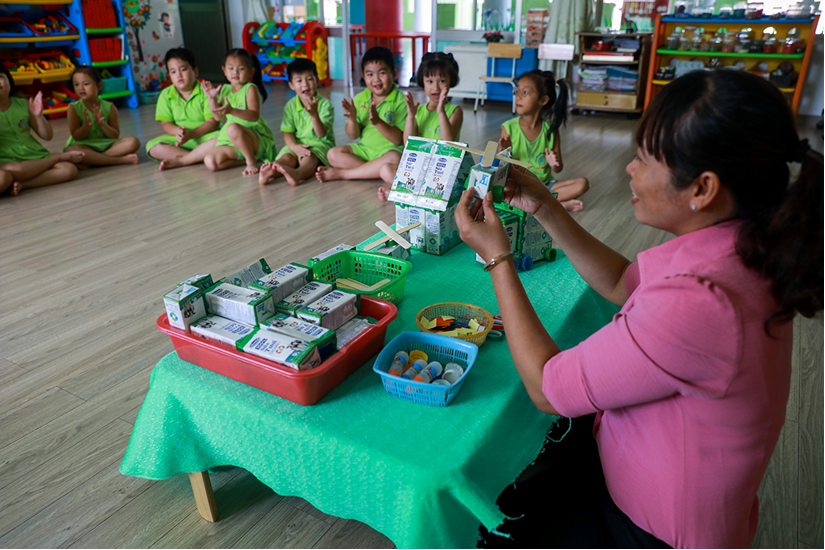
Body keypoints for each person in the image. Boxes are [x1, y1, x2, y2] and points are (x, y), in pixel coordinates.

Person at [457, 70, 822, 548]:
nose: (630, 169)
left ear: (703, 189)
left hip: (650, 530)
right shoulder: (743, 246)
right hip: (646, 473)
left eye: (646, 159)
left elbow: (549, 388)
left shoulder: (700, 300)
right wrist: (546, 204)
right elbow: (621, 281)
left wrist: (497, 258)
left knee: (483, 525)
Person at [377, 51, 464, 200]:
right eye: (429, 81)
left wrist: (441, 112)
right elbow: (408, 143)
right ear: (422, 81)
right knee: (385, 169)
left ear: (451, 81)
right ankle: (415, 193)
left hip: (443, 171)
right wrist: (411, 116)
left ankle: (403, 192)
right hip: (420, 169)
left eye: (442, 81)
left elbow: (449, 143)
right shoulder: (420, 110)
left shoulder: (455, 111)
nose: (435, 87)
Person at [499, 70, 588, 212]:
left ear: (543, 100)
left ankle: (536, 204)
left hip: (544, 185)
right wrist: (503, 150)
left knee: (582, 184)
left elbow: (558, 169)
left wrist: (555, 163)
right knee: (504, 191)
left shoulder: (551, 131)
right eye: (517, 91)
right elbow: (501, 167)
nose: (518, 97)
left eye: (525, 92)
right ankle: (559, 205)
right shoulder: (508, 127)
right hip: (520, 187)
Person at [315, 46, 406, 183]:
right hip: (364, 151)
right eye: (370, 74)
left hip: (388, 151)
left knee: (394, 158)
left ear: (393, 74)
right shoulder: (359, 98)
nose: (376, 79)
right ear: (364, 76)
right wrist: (352, 120)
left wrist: (378, 123)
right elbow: (353, 135)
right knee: (332, 154)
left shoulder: (401, 101)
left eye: (381, 73)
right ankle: (372, 171)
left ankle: (345, 174)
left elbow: (399, 140)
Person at [0, 64, 83, 196]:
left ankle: (25, 184)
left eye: (0, 77)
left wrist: (38, 116)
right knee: (17, 169)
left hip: (34, 154)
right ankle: (57, 157)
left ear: (9, 80)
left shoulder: (24, 103)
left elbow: (47, 135)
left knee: (69, 169)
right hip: (6, 161)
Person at [259, 58, 335, 186]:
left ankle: (298, 173)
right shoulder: (290, 105)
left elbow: (321, 134)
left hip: (319, 144)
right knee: (287, 158)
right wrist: (294, 147)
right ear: (291, 86)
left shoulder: (325, 105)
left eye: (309, 79)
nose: (305, 84)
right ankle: (271, 170)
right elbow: (287, 133)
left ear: (317, 80)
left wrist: (314, 115)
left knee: (309, 158)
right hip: (297, 144)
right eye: (299, 81)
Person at [203, 48, 277, 175]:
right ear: (224, 71)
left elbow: (254, 116)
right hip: (232, 139)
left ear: (251, 72)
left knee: (232, 128)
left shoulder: (250, 89)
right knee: (210, 161)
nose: (235, 72)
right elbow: (217, 118)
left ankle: (250, 161)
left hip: (254, 137)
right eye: (230, 68)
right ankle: (250, 159)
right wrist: (211, 98)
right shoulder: (225, 89)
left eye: (241, 69)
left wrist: (231, 110)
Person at [146, 48, 220, 170]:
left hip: (205, 137)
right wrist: (178, 133)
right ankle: (195, 157)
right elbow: (166, 124)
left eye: (183, 69)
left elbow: (213, 123)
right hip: (180, 141)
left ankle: (184, 160)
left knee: (222, 138)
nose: (178, 75)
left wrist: (191, 134)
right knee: (152, 146)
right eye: (173, 72)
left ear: (195, 71)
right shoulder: (166, 95)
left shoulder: (206, 92)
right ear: (169, 75)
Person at [65, 66, 141, 167]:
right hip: (85, 146)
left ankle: (94, 160)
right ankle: (118, 160)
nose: (81, 88)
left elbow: (115, 135)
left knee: (133, 142)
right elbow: (76, 136)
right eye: (76, 84)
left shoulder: (110, 107)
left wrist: (102, 124)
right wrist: (86, 126)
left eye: (86, 84)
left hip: (108, 145)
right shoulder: (73, 108)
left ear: (99, 85)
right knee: (70, 150)